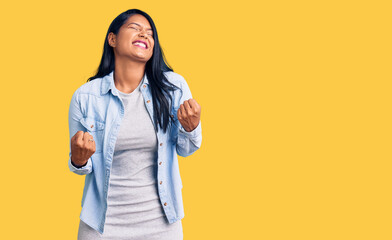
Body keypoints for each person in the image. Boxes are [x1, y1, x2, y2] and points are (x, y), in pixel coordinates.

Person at [67, 9, 202, 240]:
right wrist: (77, 159)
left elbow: (186, 149)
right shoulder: (86, 97)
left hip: (161, 225)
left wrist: (191, 128)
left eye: (150, 33)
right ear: (112, 39)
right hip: (102, 225)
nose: (145, 35)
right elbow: (82, 165)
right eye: (135, 28)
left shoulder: (173, 87)